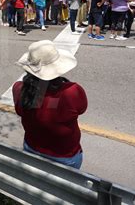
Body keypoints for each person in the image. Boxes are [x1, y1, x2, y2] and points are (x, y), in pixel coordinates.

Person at [13, 40, 87, 169]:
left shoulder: (19, 89)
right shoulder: (71, 92)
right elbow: (81, 109)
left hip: (31, 148)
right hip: (65, 156)